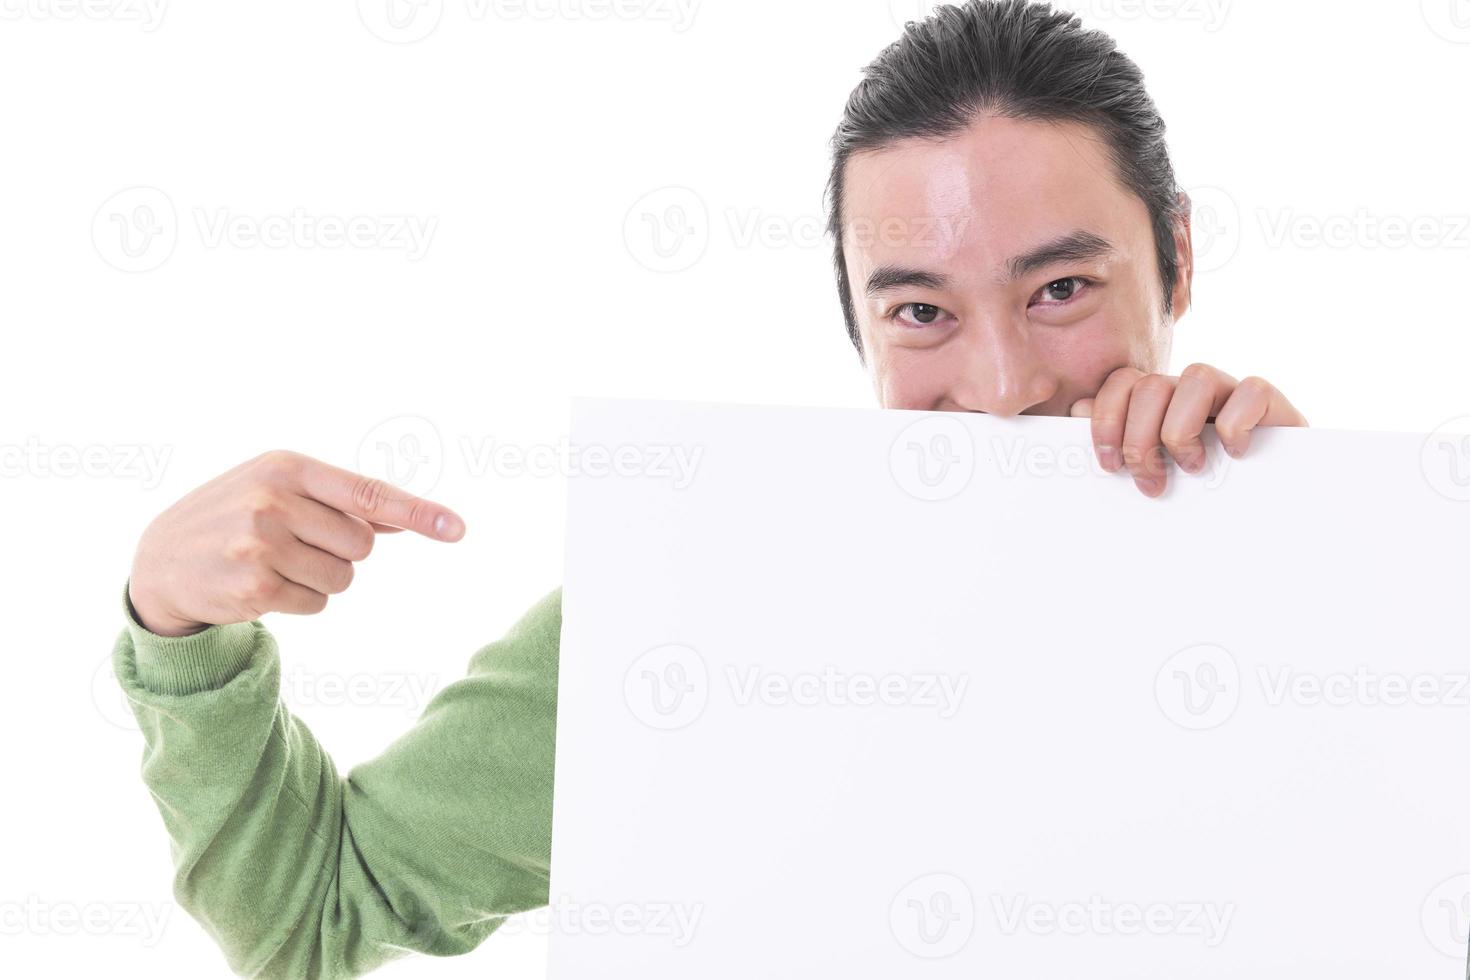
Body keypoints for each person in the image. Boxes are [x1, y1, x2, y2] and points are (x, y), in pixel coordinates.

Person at [112, 1, 1306, 976]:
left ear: (1178, 258)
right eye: (923, 311)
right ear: (860, 326)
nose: (999, 389)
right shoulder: (693, 605)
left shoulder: (1324, 561)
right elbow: (315, 907)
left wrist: (1348, 564)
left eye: (1058, 291)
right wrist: (182, 629)